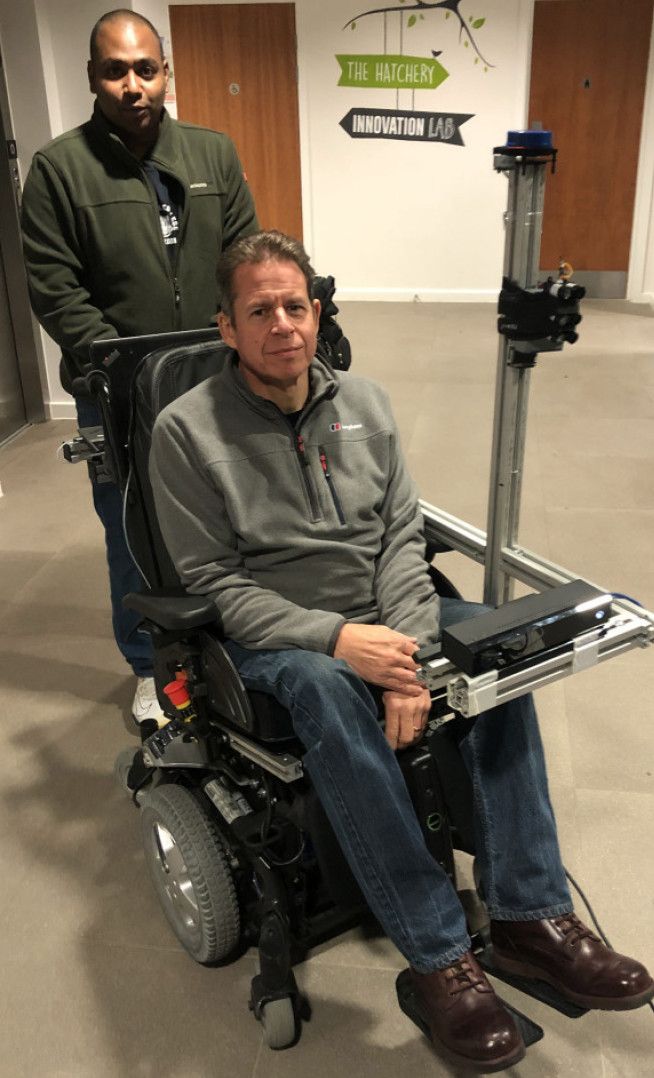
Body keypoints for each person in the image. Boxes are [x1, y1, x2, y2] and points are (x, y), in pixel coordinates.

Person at [148, 231, 654, 1072]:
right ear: (227, 328)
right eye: (260, 311)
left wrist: (413, 661)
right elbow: (215, 582)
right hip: (281, 634)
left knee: (500, 644)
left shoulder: (367, 406)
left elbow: (398, 544)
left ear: (318, 313)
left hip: (385, 614)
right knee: (323, 687)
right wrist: (339, 640)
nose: (282, 325)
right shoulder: (186, 431)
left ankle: (529, 916)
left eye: (295, 306)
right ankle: (438, 956)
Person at [21, 9, 258, 725]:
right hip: (116, 388)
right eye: (115, 71)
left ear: (165, 73)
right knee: (133, 529)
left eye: (145, 69)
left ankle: (231, 635)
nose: (133, 85)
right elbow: (55, 287)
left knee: (228, 512)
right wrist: (118, 366)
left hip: (213, 375)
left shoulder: (212, 154)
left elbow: (242, 256)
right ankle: (150, 665)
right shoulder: (59, 169)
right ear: (93, 77)